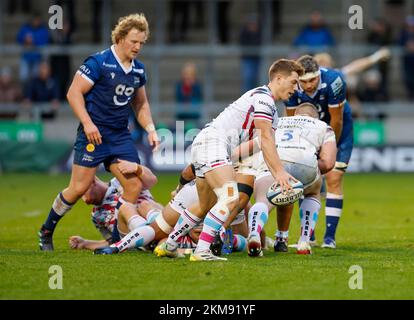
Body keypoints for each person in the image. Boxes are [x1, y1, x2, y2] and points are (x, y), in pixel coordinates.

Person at [154, 59, 304, 261]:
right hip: (213, 144)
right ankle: (202, 251)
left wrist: (276, 173)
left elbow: (264, 145)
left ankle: (171, 244)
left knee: (204, 205)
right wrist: (280, 173)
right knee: (231, 197)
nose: (297, 88)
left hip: (206, 144)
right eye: (294, 82)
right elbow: (266, 139)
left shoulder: (272, 113)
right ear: (278, 78)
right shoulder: (264, 98)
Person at [38, 13, 160, 251]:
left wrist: (151, 129)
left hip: (119, 136)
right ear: (121, 37)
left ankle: (116, 239)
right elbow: (73, 93)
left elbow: (141, 104)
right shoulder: (98, 62)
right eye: (134, 41)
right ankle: (46, 230)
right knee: (78, 188)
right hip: (93, 135)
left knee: (135, 186)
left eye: (142, 43)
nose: (138, 47)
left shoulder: (138, 71)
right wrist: (88, 123)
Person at [234, 103, 337, 256]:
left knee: (262, 200)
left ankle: (254, 233)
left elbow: (256, 144)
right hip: (303, 162)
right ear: (315, 117)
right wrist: (313, 172)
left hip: (274, 160)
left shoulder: (278, 121)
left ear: (294, 115)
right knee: (313, 192)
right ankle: (304, 241)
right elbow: (328, 163)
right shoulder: (323, 126)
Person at [284, 55, 352, 249]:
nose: (308, 85)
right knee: (303, 178)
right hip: (307, 135)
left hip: (338, 131)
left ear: (319, 74)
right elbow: (293, 123)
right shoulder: (292, 86)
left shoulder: (334, 81)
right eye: (303, 81)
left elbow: (336, 121)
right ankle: (309, 234)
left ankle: (329, 237)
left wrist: (328, 148)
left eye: (312, 80)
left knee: (334, 178)